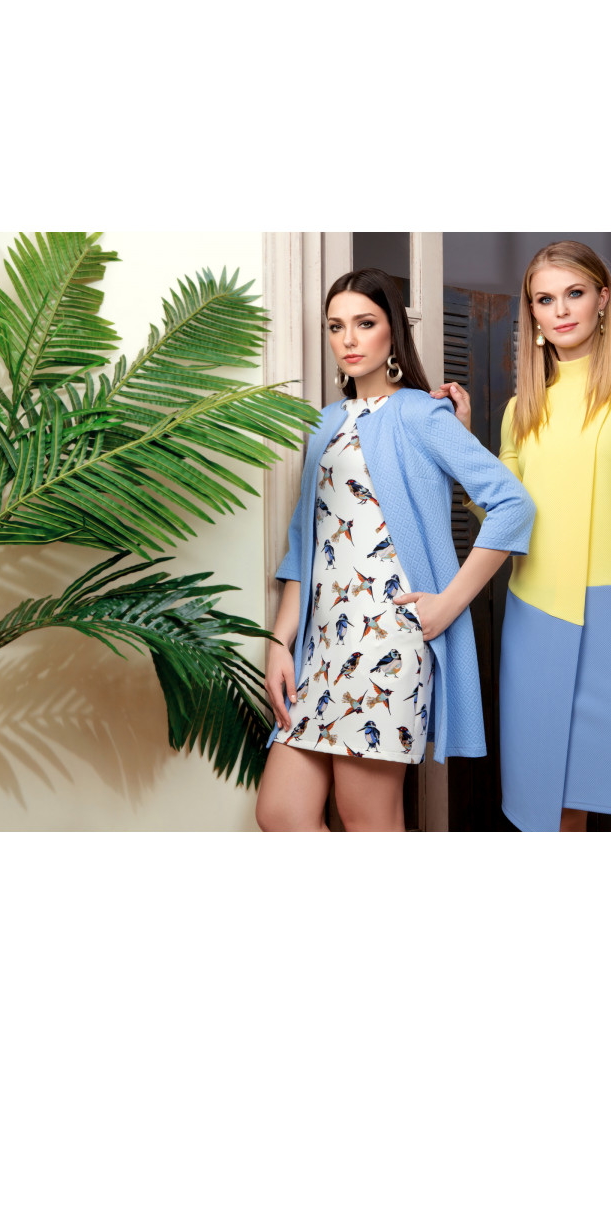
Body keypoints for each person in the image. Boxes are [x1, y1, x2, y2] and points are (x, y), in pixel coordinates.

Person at [255, 268, 535, 832]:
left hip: (387, 640)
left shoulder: (419, 412)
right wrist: (280, 645)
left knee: (368, 821)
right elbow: (303, 545)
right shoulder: (324, 423)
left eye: (365, 323)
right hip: (320, 646)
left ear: (393, 332)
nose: (348, 339)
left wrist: (447, 605)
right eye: (336, 326)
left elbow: (514, 505)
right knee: (280, 814)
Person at [433, 241, 611, 832]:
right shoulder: (522, 409)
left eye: (574, 293)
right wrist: (463, 445)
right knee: (552, 814)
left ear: (603, 298)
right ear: (533, 314)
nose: (561, 310)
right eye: (545, 300)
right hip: (535, 620)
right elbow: (501, 511)